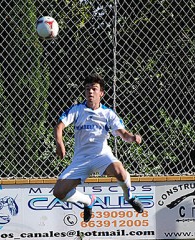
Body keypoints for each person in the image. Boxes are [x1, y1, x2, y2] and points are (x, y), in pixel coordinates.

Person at [53, 73, 144, 222]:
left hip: (102, 156)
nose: (90, 92)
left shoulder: (108, 113)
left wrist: (133, 138)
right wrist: (59, 143)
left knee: (120, 171)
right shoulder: (77, 110)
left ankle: (130, 197)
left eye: (94, 89)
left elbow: (123, 133)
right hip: (81, 160)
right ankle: (88, 201)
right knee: (59, 192)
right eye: (87, 88)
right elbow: (59, 126)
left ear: (101, 93)